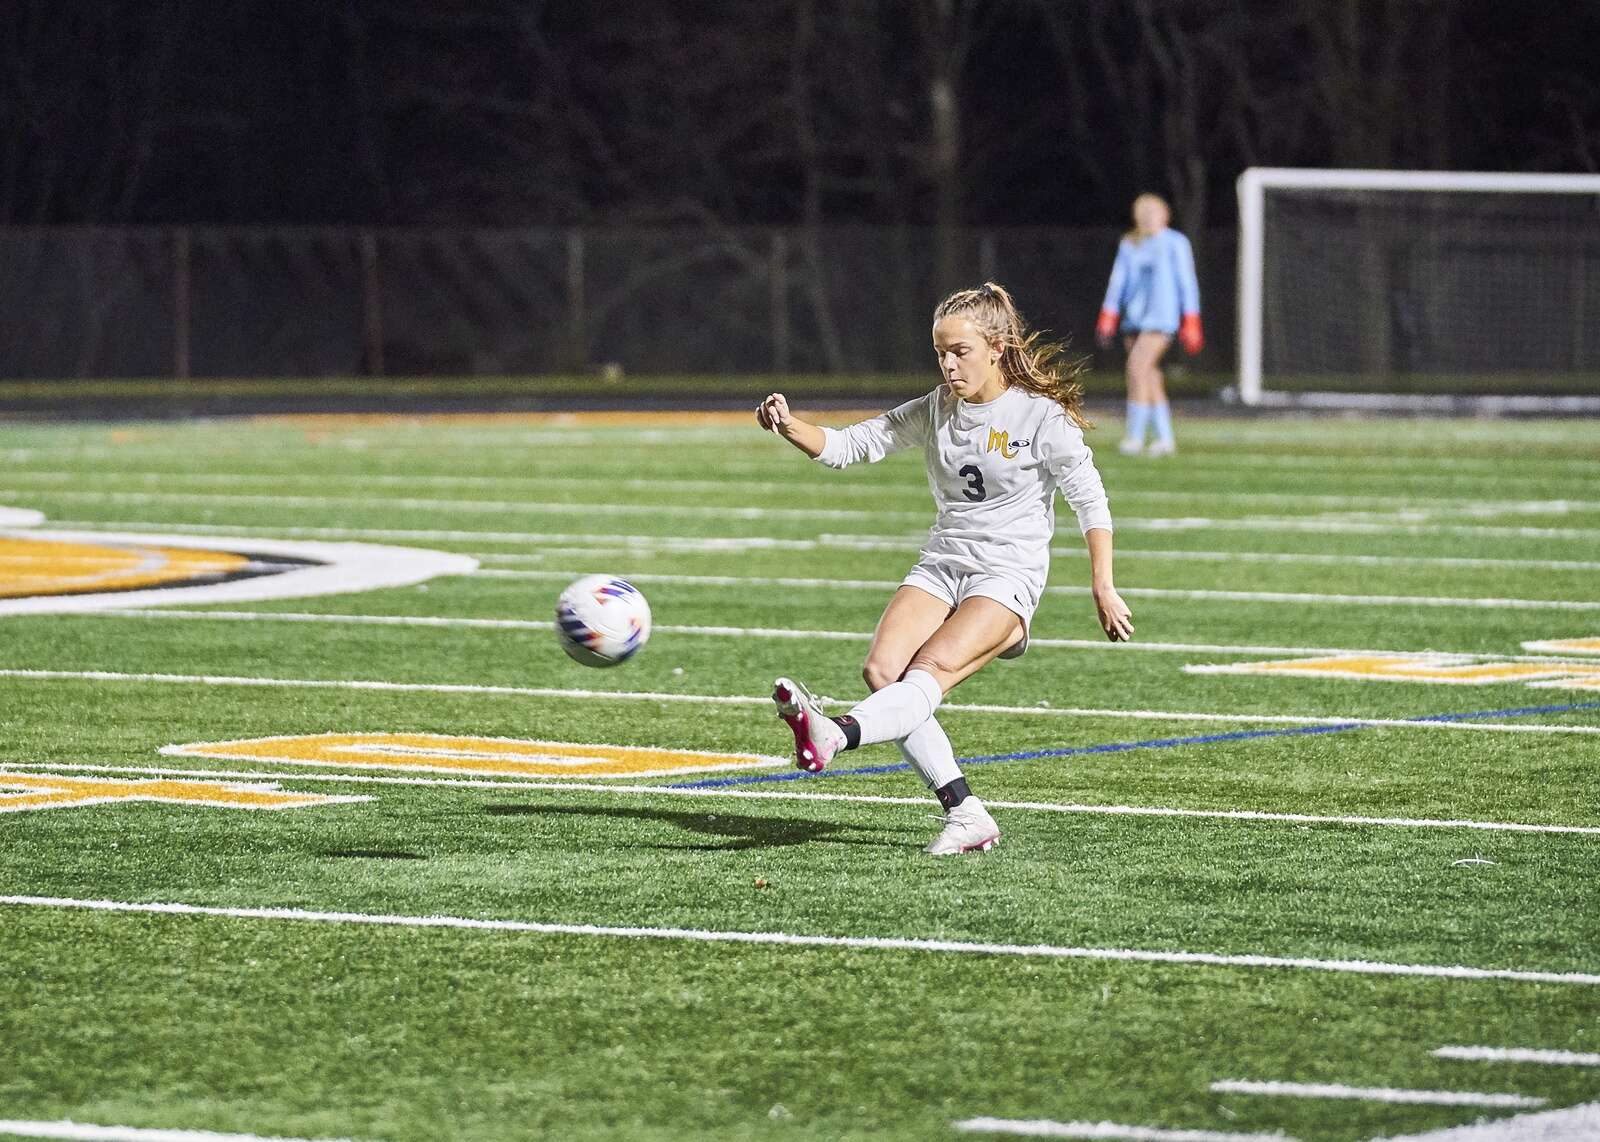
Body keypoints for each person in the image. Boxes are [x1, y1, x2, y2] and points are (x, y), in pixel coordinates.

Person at [755, 282, 1134, 856]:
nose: (949, 365)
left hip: (1007, 578)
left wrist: (1102, 585)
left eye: (960, 352)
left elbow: (1091, 502)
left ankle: (834, 733)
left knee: (926, 670)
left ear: (997, 348)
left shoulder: (1040, 417)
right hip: (944, 562)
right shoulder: (937, 408)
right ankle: (966, 813)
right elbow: (850, 445)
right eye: (940, 353)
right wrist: (789, 425)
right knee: (883, 670)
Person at [1095, 193, 1203, 457]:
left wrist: (1191, 319)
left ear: (1165, 215)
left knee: (1136, 368)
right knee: (1150, 376)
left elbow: (1186, 282)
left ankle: (1134, 436)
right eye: (1143, 213)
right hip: (1134, 319)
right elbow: (1118, 281)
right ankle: (1165, 439)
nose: (1148, 217)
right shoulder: (1130, 243)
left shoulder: (1176, 243)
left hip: (1161, 318)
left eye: (1153, 212)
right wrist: (1108, 314)